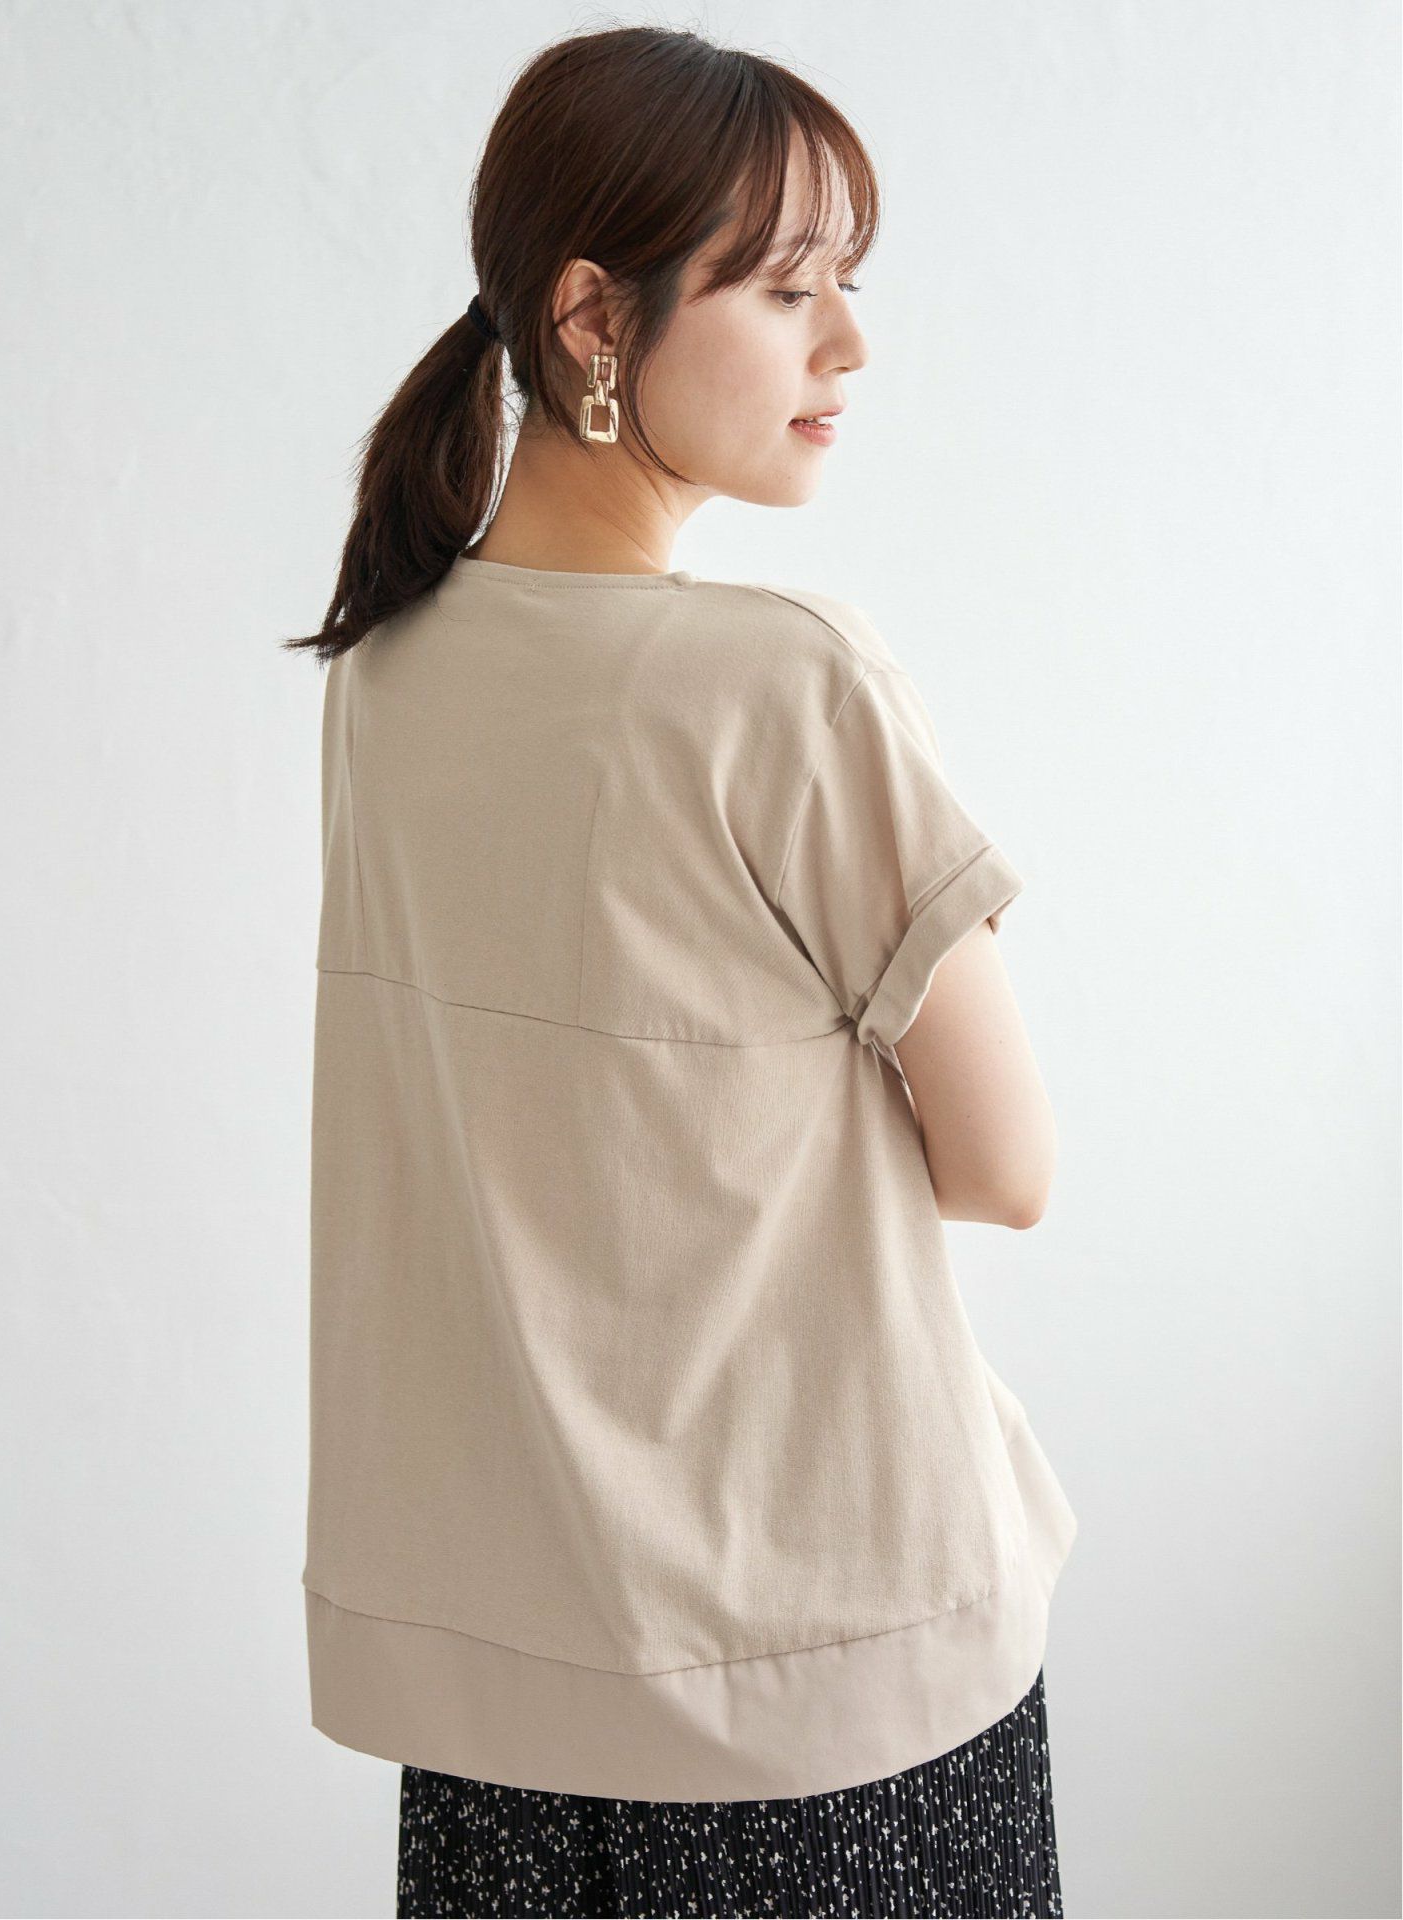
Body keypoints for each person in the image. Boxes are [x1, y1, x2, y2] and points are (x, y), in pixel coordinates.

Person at [283, 24, 1077, 1918]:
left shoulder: (387, 673)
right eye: (789, 290)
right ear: (592, 316)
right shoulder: (784, 681)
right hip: (822, 1678)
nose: (847, 345)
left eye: (846, 285)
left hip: (503, 1701)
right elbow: (1008, 1167)